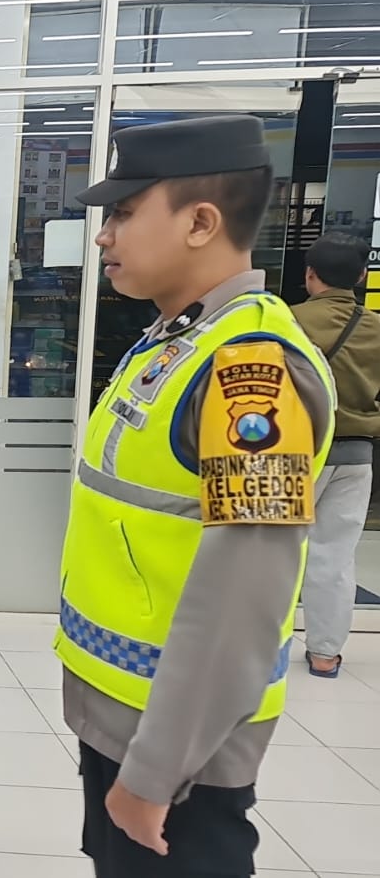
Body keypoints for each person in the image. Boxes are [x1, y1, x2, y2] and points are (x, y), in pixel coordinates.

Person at [57, 115, 336, 878]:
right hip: (125, 714)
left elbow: (244, 591)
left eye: (122, 212)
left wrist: (156, 771)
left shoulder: (252, 371)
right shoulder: (176, 338)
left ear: (200, 222)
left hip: (179, 748)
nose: (103, 234)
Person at [290, 231, 380, 678]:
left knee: (276, 551)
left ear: (310, 274)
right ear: (362, 276)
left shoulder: (289, 321)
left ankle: (260, 647)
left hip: (297, 451)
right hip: (356, 454)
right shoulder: (376, 327)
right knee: (335, 555)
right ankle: (325, 654)